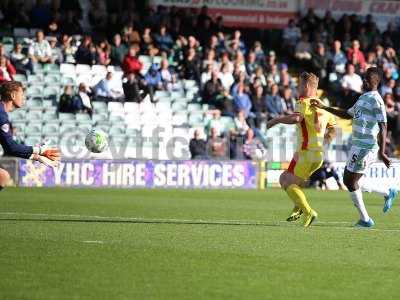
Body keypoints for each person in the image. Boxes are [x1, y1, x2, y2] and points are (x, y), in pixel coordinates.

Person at [311, 67, 399, 228]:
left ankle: (365, 220)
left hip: (366, 147)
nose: (364, 80)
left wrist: (382, 151)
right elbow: (347, 114)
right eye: (364, 77)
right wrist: (324, 107)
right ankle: (388, 192)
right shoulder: (362, 98)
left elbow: (384, 125)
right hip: (357, 145)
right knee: (354, 180)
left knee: (350, 181)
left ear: (375, 81)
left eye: (367, 78)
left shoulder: (377, 100)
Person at [267, 72, 336, 227]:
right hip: (317, 154)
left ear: (306, 86)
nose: (297, 88)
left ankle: (308, 211)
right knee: (288, 178)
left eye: (299, 85)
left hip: (306, 152)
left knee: (285, 181)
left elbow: (296, 118)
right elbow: (333, 129)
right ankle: (298, 207)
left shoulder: (303, 101)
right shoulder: (324, 106)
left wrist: (276, 120)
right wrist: (326, 141)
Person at [0, 81, 60, 191]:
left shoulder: (2, 112)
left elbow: (10, 149)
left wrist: (36, 156)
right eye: (22, 94)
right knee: (2, 176)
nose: (24, 98)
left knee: (2, 177)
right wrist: (40, 150)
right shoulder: (1, 115)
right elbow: (11, 147)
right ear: (13, 95)